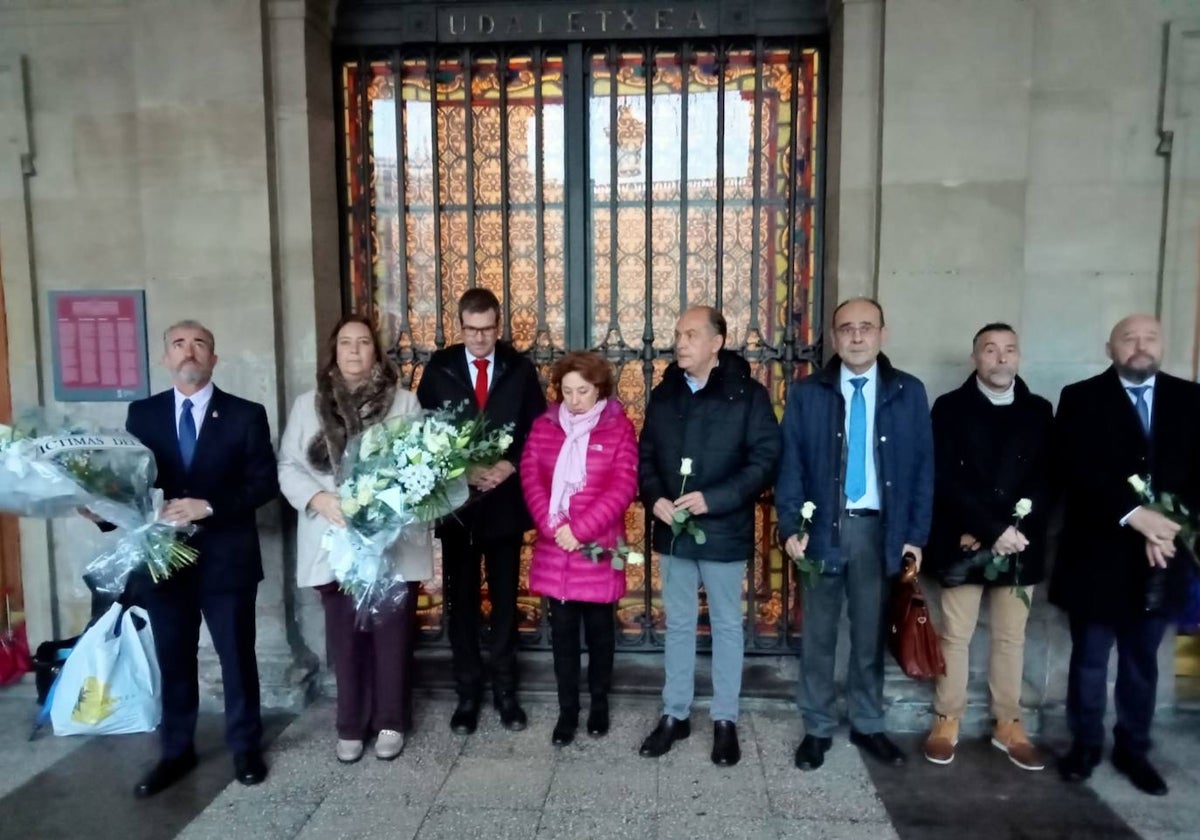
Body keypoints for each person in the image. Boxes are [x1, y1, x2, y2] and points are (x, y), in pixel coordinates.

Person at [776, 297, 933, 771]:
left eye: (867, 327)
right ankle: (817, 728)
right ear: (835, 336)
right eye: (847, 328)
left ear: (883, 333)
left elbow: (924, 468)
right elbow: (791, 465)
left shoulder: (908, 391)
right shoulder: (809, 393)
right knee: (819, 638)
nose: (857, 337)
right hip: (823, 530)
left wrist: (915, 534)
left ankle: (867, 724)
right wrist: (791, 526)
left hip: (877, 531)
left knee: (868, 636)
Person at [125, 320, 279, 797]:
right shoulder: (142, 415)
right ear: (165, 358)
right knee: (173, 658)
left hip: (226, 558)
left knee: (237, 656)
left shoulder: (245, 414)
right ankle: (176, 751)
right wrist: (100, 509)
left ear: (214, 358)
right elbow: (129, 487)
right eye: (179, 344)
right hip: (163, 560)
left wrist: (208, 506)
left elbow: (264, 484)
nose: (189, 352)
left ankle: (245, 747)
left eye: (200, 344)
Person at [1053, 314, 1200, 796]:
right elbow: (1073, 469)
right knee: (1090, 659)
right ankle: (1085, 744)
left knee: (1142, 661)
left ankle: (1133, 748)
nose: (1140, 346)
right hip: (1097, 555)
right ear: (1109, 347)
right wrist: (1134, 515)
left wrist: (1169, 528)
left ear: (1163, 345)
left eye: (1149, 337)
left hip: (1161, 558)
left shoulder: (1191, 399)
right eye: (1128, 338)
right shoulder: (1080, 398)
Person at [278, 315, 432, 763]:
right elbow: (289, 466)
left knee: (390, 638)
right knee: (344, 638)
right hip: (334, 538)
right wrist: (320, 498)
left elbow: (420, 463)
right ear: (334, 351)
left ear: (375, 352)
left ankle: (390, 722)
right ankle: (349, 724)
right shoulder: (309, 405)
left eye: (363, 342)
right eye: (345, 342)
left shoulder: (404, 402)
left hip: (391, 541)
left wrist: (384, 502)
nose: (354, 351)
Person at [637, 306, 781, 767]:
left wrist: (714, 499)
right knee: (677, 624)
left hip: (723, 528)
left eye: (691, 334)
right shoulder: (664, 396)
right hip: (674, 531)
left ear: (717, 342)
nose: (680, 342)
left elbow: (765, 459)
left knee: (725, 626)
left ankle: (725, 719)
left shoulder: (748, 395)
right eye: (678, 334)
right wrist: (655, 497)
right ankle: (675, 714)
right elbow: (647, 457)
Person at [922, 323, 1053, 770]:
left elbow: (1047, 479)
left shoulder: (1039, 410)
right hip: (966, 538)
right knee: (955, 636)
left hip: (1020, 541)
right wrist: (988, 528)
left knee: (1011, 637)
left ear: (1018, 356)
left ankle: (1008, 723)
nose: (1001, 358)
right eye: (991, 350)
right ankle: (947, 718)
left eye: (1009, 350)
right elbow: (944, 478)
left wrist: (1015, 528)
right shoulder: (950, 408)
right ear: (975, 357)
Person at [416, 289, 546, 733]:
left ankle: (506, 692)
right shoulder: (440, 369)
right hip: (458, 507)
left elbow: (538, 427)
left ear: (499, 325)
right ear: (461, 326)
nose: (480, 338)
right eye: (471, 330)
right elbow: (423, 433)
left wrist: (509, 465)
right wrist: (462, 468)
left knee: (506, 604)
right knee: (462, 603)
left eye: (488, 329)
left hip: (506, 505)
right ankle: (467, 693)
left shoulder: (519, 369)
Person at [520, 351, 637, 746]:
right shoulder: (544, 426)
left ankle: (599, 703)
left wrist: (581, 529)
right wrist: (550, 524)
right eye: (567, 392)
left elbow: (623, 486)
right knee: (564, 638)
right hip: (557, 549)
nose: (574, 400)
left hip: (597, 549)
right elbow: (531, 476)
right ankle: (567, 709)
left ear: (599, 389)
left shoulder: (618, 428)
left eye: (582, 392)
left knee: (602, 634)